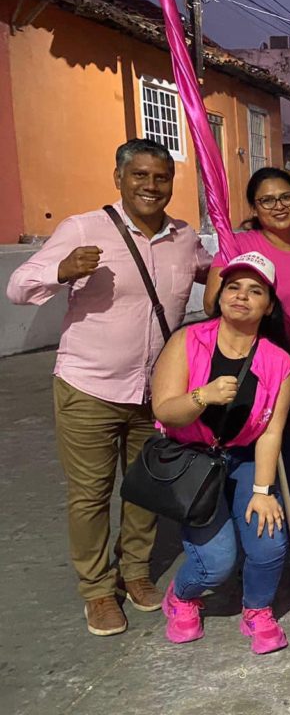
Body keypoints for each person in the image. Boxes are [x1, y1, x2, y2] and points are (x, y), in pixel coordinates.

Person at [6, 139, 211, 636]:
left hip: (154, 390)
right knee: (90, 495)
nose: (151, 186)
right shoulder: (83, 228)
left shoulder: (184, 236)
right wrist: (61, 270)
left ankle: (135, 571)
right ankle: (97, 589)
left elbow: (215, 272)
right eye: (140, 175)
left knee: (145, 487)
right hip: (89, 387)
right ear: (119, 178)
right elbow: (18, 287)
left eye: (161, 177)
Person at [152, 252, 290, 654]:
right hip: (192, 460)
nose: (241, 296)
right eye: (233, 287)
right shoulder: (187, 340)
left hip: (243, 457)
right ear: (219, 295)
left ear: (269, 306)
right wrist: (203, 396)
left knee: (269, 542)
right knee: (216, 562)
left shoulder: (278, 361)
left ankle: (257, 609)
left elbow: (270, 432)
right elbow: (165, 411)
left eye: (255, 291)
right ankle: (182, 596)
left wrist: (263, 491)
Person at [203, 167, 290, 561]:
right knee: (255, 467)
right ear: (254, 209)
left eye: (286, 197)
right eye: (267, 200)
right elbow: (212, 305)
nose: (278, 206)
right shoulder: (239, 244)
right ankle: (255, 554)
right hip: (257, 374)